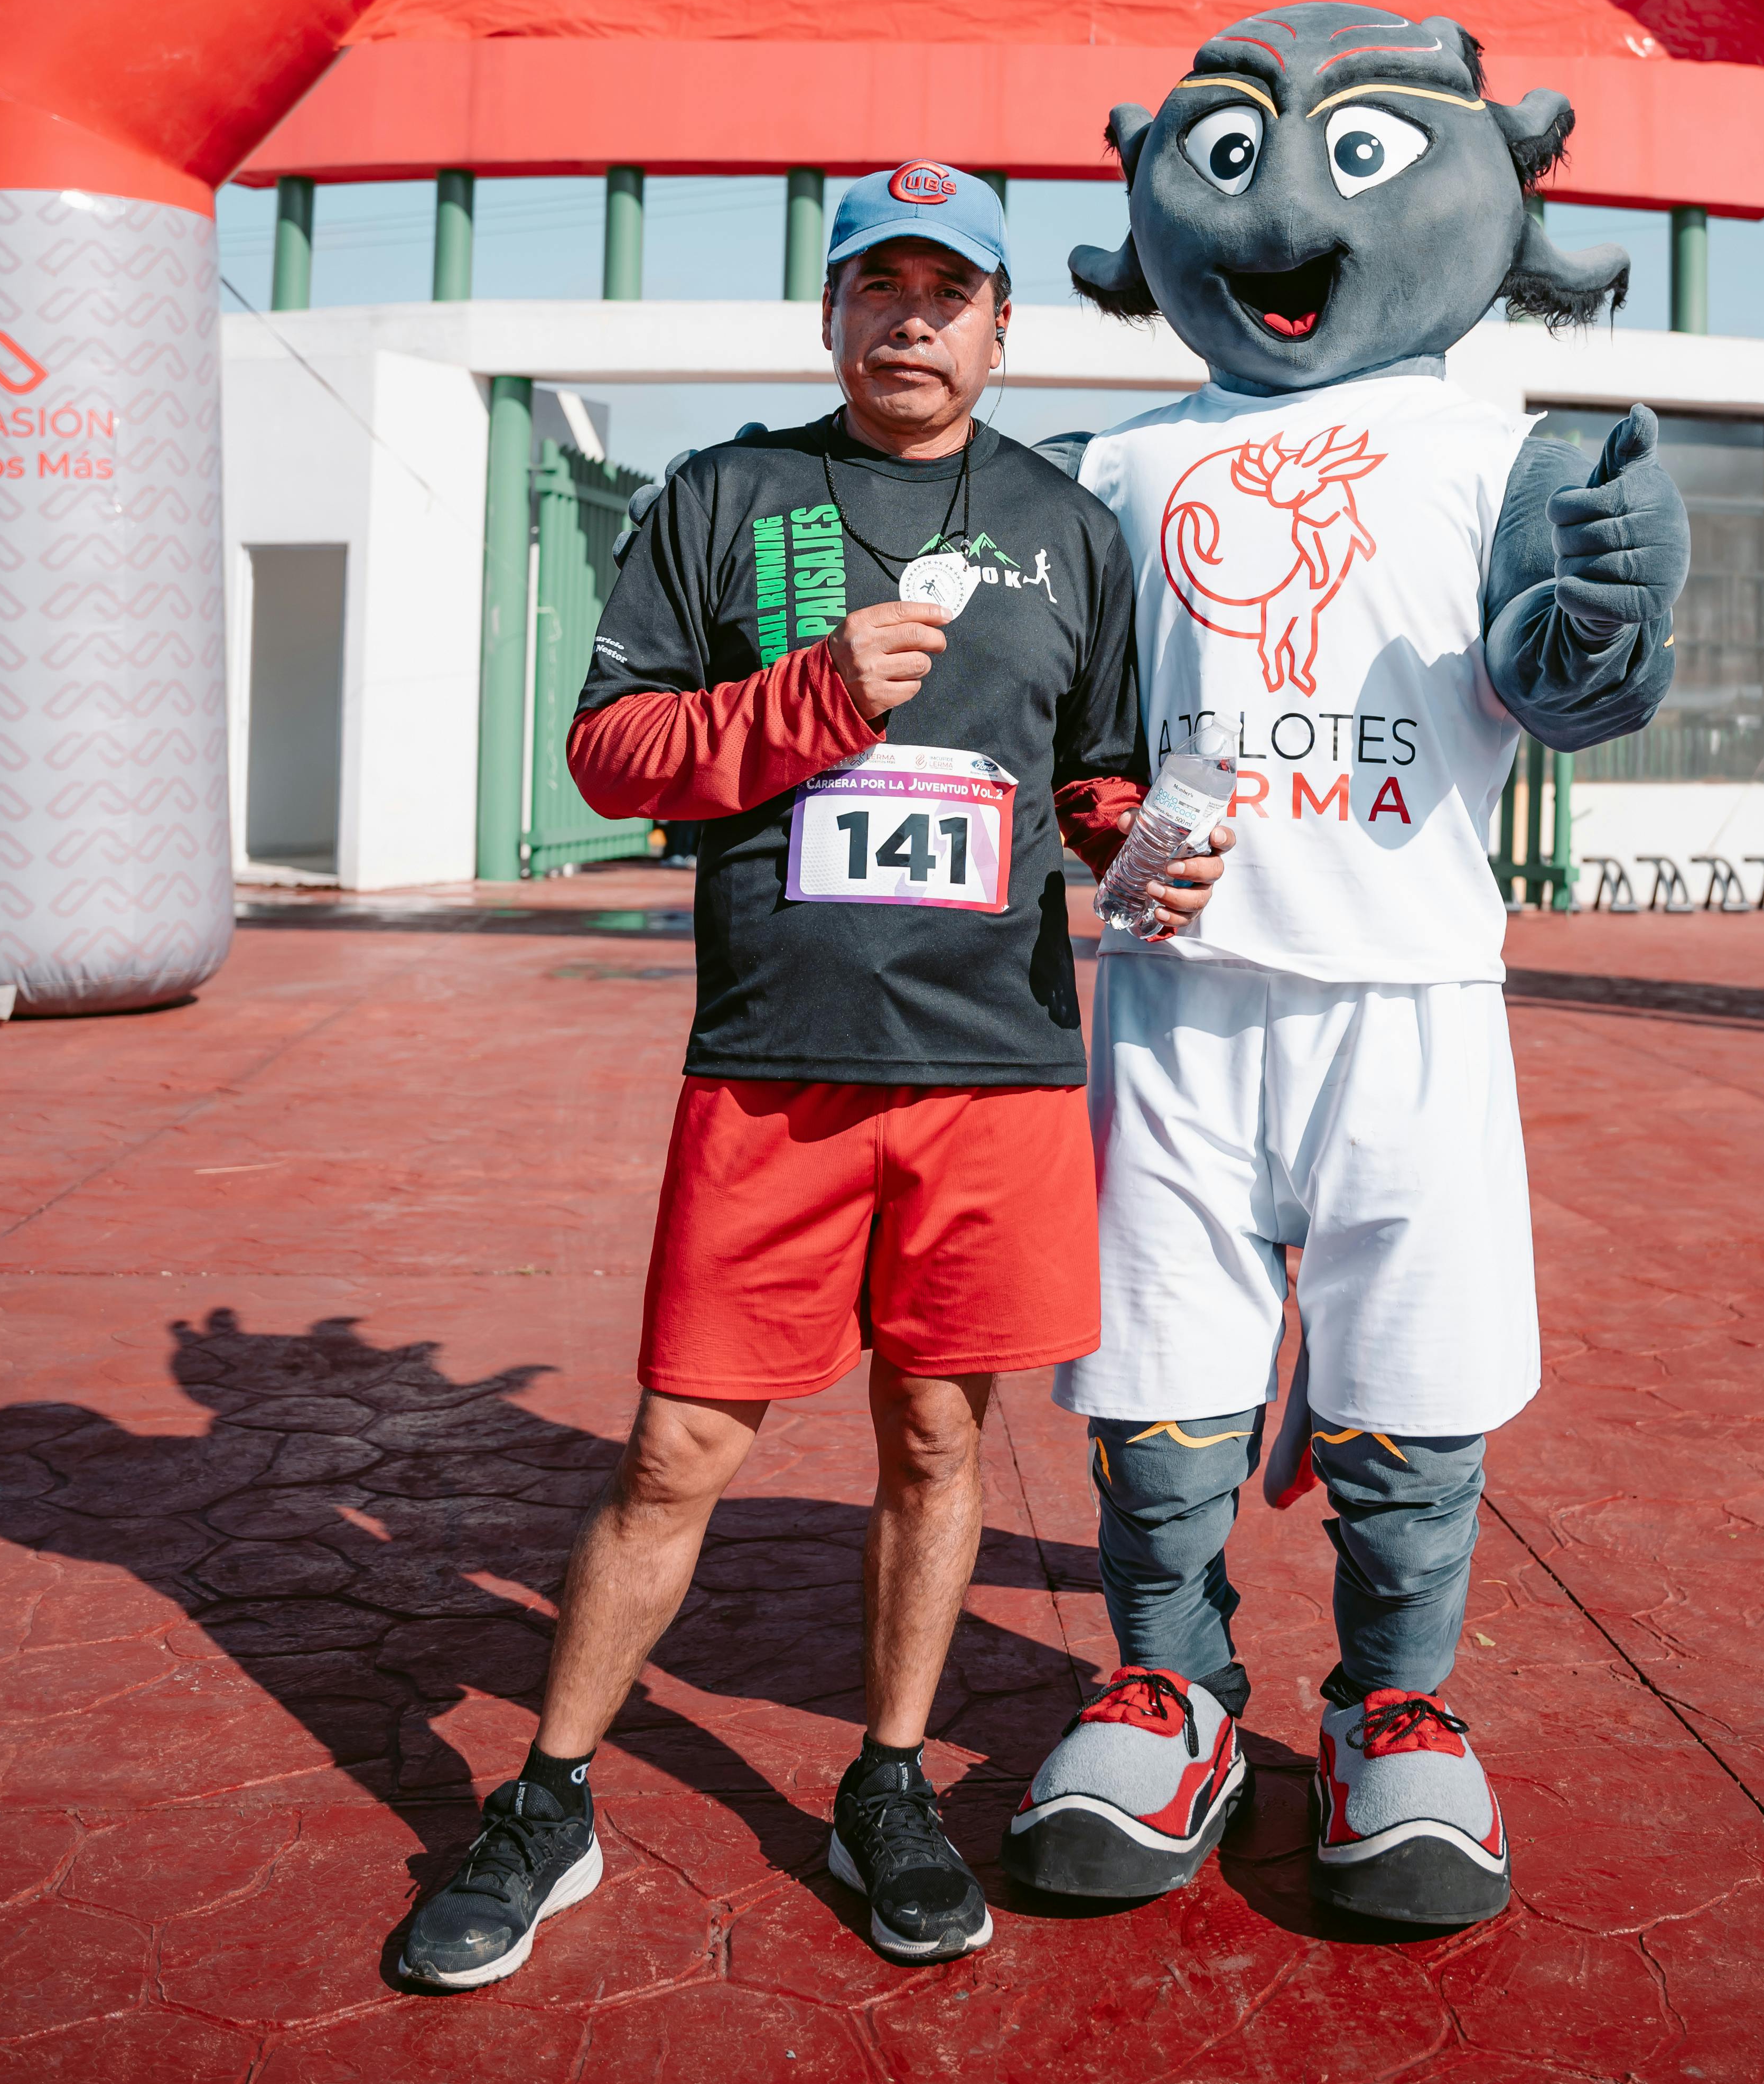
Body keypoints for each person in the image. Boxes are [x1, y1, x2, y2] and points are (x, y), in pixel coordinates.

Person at [399, 162, 1228, 1984]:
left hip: (992, 1066)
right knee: (681, 1443)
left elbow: (1094, 774)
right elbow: (612, 753)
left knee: (938, 1435)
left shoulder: (1065, 525)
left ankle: (888, 1781)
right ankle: (549, 1796)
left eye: (952, 290)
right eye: (880, 284)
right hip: (775, 1058)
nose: (912, 317)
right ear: (831, 312)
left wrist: (1135, 847)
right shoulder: (726, 494)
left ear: (1004, 327)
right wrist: (818, 698)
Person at [1005, 6, 1687, 1927]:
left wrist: (1611, 615)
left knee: (1412, 1386)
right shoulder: (1116, 468)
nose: (1287, 213)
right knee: (1153, 1386)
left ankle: (1397, 1713)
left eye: (1361, 155)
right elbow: (1082, 740)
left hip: (1409, 999)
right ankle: (1172, 1685)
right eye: (1226, 158)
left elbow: (1564, 691)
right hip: (1178, 998)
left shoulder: (1505, 453)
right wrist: (1104, 834)